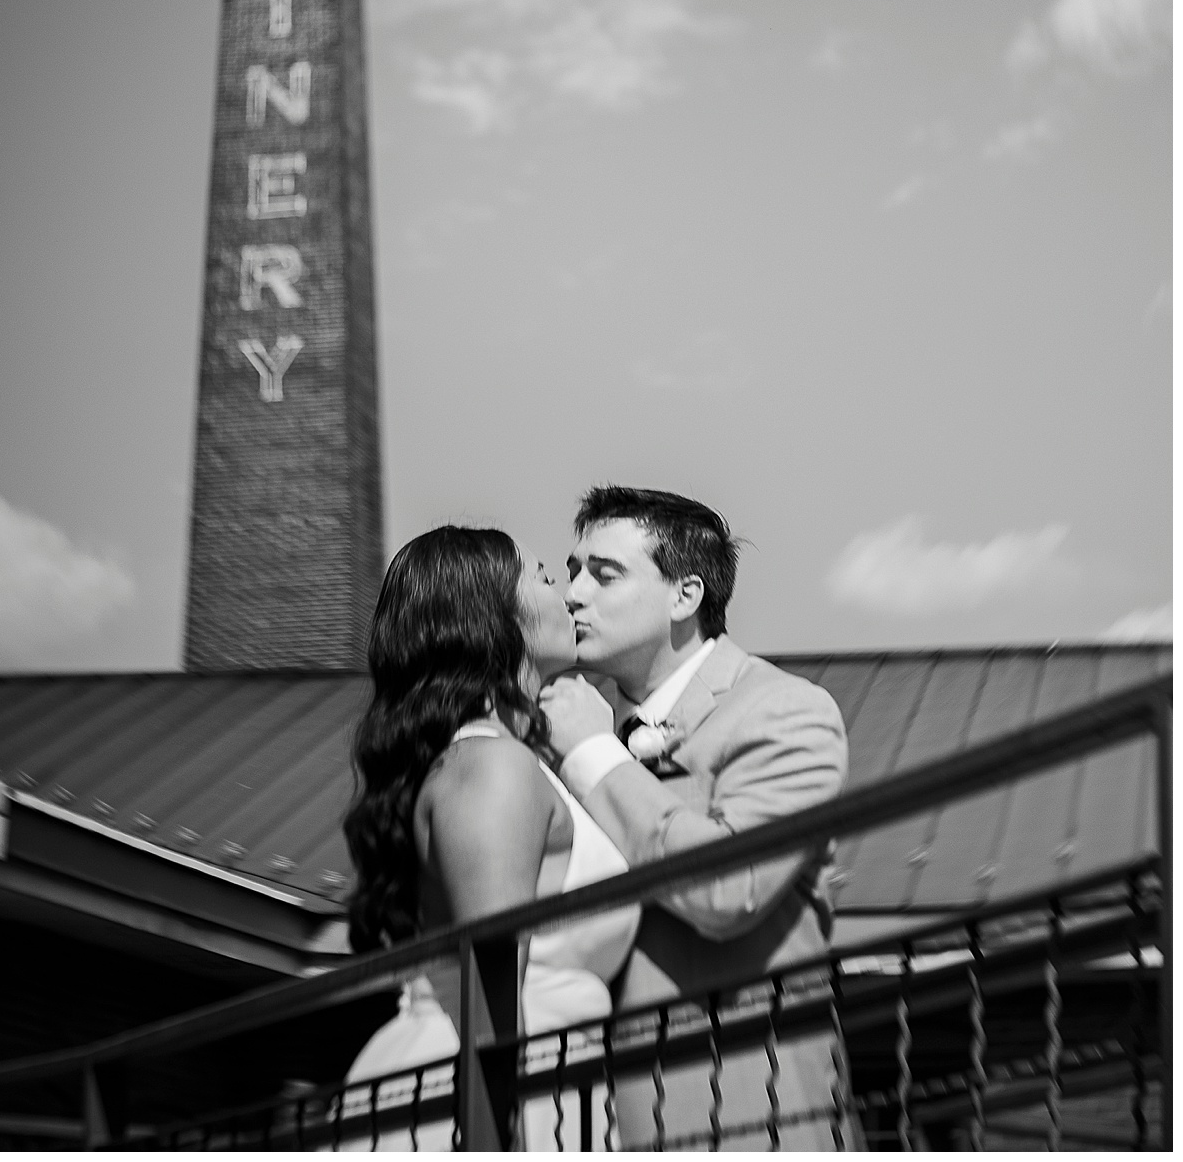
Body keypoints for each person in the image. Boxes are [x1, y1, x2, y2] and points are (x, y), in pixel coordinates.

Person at [539, 486, 854, 1151]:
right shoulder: (559, 728)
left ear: (685, 596)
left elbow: (728, 888)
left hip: (744, 1114)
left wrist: (596, 754)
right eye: (571, 570)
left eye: (604, 573)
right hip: (589, 1120)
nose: (573, 594)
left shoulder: (787, 712)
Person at [336, 526, 639, 1150]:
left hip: (544, 1087)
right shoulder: (493, 766)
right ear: (490, 619)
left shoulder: (501, 759)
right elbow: (492, 970)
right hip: (484, 1094)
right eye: (540, 574)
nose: (566, 591)